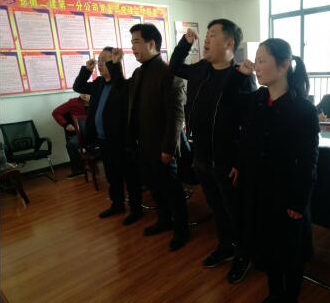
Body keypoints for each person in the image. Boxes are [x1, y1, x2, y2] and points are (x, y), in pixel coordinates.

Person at [230, 39, 319, 303]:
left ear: (284, 65)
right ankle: (274, 294)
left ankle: (289, 297)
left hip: (286, 194)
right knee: (266, 247)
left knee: (289, 253)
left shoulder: (303, 108)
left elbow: (308, 159)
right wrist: (240, 76)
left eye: (262, 61)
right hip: (258, 189)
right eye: (256, 60)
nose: (256, 66)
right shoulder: (259, 99)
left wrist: (298, 200)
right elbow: (231, 109)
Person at [169, 20, 257, 283]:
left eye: (213, 35)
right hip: (202, 155)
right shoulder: (200, 69)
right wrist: (185, 44)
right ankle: (225, 247)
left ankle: (243, 255)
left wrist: (240, 162)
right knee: (217, 208)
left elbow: (250, 126)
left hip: (228, 160)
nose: (206, 39)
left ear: (229, 43)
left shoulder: (242, 76)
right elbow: (174, 66)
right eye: (206, 35)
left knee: (235, 211)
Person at [127, 24, 189, 251]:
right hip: (143, 143)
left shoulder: (169, 72)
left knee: (172, 189)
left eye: (136, 42)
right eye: (132, 42)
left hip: (163, 146)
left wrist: (169, 148)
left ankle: (182, 230)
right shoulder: (138, 73)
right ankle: (164, 220)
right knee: (154, 186)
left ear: (151, 43)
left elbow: (177, 115)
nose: (132, 47)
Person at [73, 47, 143, 225]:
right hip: (103, 140)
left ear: (114, 62)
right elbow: (78, 87)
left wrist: (115, 64)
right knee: (112, 176)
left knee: (130, 177)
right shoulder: (98, 84)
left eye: (105, 60)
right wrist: (86, 70)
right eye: (99, 60)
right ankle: (117, 204)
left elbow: (117, 79)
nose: (100, 64)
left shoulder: (123, 86)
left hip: (121, 141)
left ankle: (136, 209)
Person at [52, 93, 90, 178]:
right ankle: (79, 170)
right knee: (71, 144)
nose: (85, 95)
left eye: (87, 92)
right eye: (82, 92)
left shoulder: (97, 100)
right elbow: (56, 112)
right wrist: (66, 124)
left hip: (96, 133)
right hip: (81, 134)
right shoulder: (73, 102)